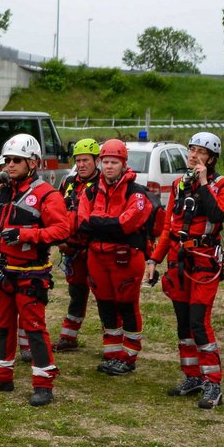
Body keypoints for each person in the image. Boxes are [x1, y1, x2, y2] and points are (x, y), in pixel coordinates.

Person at [0, 135, 70, 405]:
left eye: (16, 160)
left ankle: (43, 384)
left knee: (34, 328)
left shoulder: (46, 194)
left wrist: (26, 234)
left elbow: (62, 230)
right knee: (2, 325)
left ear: (33, 163)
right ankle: (2, 376)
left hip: (31, 273)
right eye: (7, 161)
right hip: (2, 271)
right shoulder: (3, 190)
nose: (10, 165)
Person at [147, 132, 224, 408]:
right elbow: (167, 227)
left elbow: (217, 214)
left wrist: (202, 182)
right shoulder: (177, 185)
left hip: (205, 261)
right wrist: (153, 260)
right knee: (184, 323)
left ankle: (213, 383)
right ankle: (192, 376)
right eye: (192, 150)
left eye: (201, 152)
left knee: (200, 322)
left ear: (211, 159)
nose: (194, 155)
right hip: (179, 259)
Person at [76, 139, 157, 376]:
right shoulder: (90, 191)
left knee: (128, 305)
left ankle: (129, 356)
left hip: (126, 258)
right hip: (97, 257)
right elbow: (82, 223)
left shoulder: (136, 192)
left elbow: (128, 224)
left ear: (124, 164)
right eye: (105, 162)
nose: (109, 166)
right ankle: (112, 354)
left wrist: (99, 223)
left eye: (114, 162)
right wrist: (110, 225)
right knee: (105, 305)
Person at [55, 138, 102, 353]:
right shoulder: (68, 183)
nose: (81, 164)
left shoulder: (103, 185)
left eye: (86, 160)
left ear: (96, 160)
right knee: (76, 293)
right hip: (71, 251)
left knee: (104, 298)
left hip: (94, 251)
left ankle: (112, 343)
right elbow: (56, 211)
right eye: (78, 160)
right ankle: (68, 337)